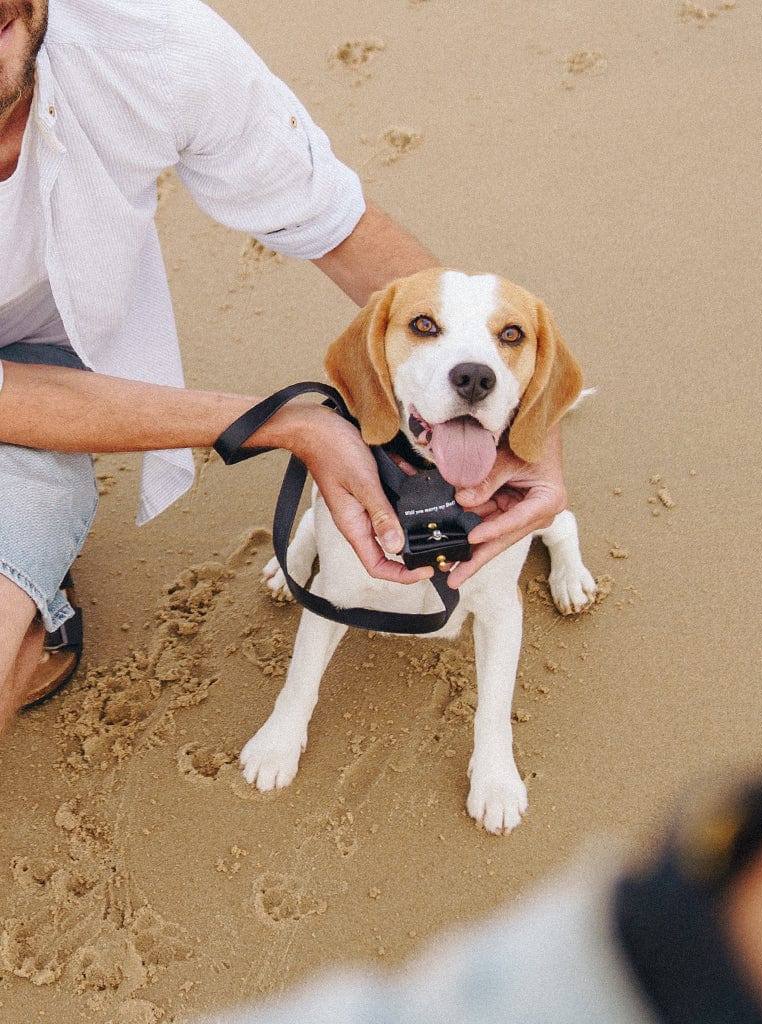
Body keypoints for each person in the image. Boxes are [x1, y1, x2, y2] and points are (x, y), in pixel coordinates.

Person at [195, 14, 762, 1024]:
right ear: (380, 352)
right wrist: (294, 701)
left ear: (532, 369)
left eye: (503, 342)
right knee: (325, 573)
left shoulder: (505, 420)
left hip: (494, 540)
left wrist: (489, 743)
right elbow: (335, 589)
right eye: (429, 332)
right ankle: (298, 693)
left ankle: (563, 547)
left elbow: (494, 612)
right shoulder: (366, 409)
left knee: (505, 578)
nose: (471, 363)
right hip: (363, 497)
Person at [0, 0, 568, 732]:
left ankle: (32, 620)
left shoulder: (152, 42)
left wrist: (534, 437)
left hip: (46, 378)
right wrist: (286, 423)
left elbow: (342, 230)